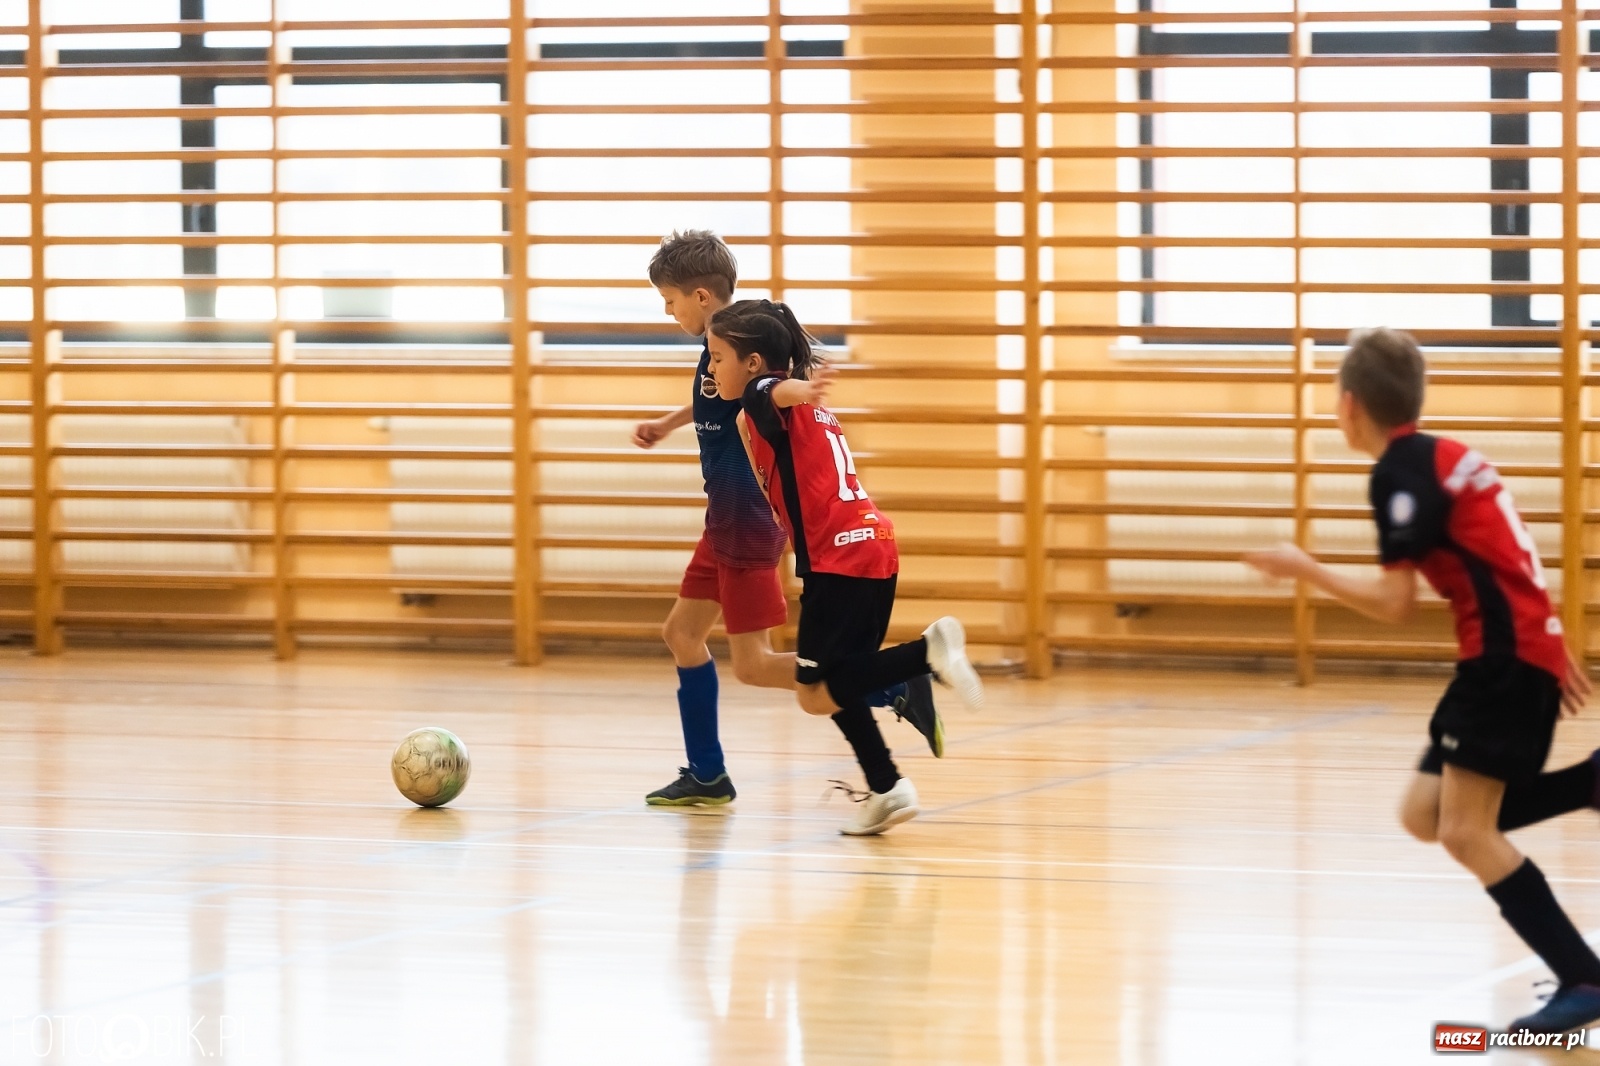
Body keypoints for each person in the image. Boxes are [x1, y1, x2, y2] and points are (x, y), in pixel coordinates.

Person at [1244, 326, 1600, 1034]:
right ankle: (1588, 786)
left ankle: (1584, 979)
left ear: (1348, 406)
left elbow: (1394, 605)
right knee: (1425, 815)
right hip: (1514, 653)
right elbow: (1512, 555)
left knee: (1466, 831)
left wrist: (1303, 568)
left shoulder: (1399, 474)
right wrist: (1549, 638)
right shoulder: (1445, 456)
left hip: (1500, 664)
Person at [636, 232, 937, 808]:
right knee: (681, 633)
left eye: (669, 300)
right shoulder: (720, 348)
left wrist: (807, 390)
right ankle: (706, 774)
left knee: (753, 666)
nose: (667, 311)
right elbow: (713, 402)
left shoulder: (743, 354)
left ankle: (889, 682)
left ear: (701, 297)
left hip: (746, 523)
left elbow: (776, 393)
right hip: (720, 521)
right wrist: (670, 423)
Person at [705, 298, 983, 835]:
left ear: (755, 363)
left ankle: (926, 653)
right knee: (839, 682)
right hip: (875, 546)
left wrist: (795, 390)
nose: (712, 368)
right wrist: (803, 394)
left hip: (839, 560)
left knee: (813, 694)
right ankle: (887, 787)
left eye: (717, 358)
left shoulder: (766, 400)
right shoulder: (817, 414)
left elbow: (772, 392)